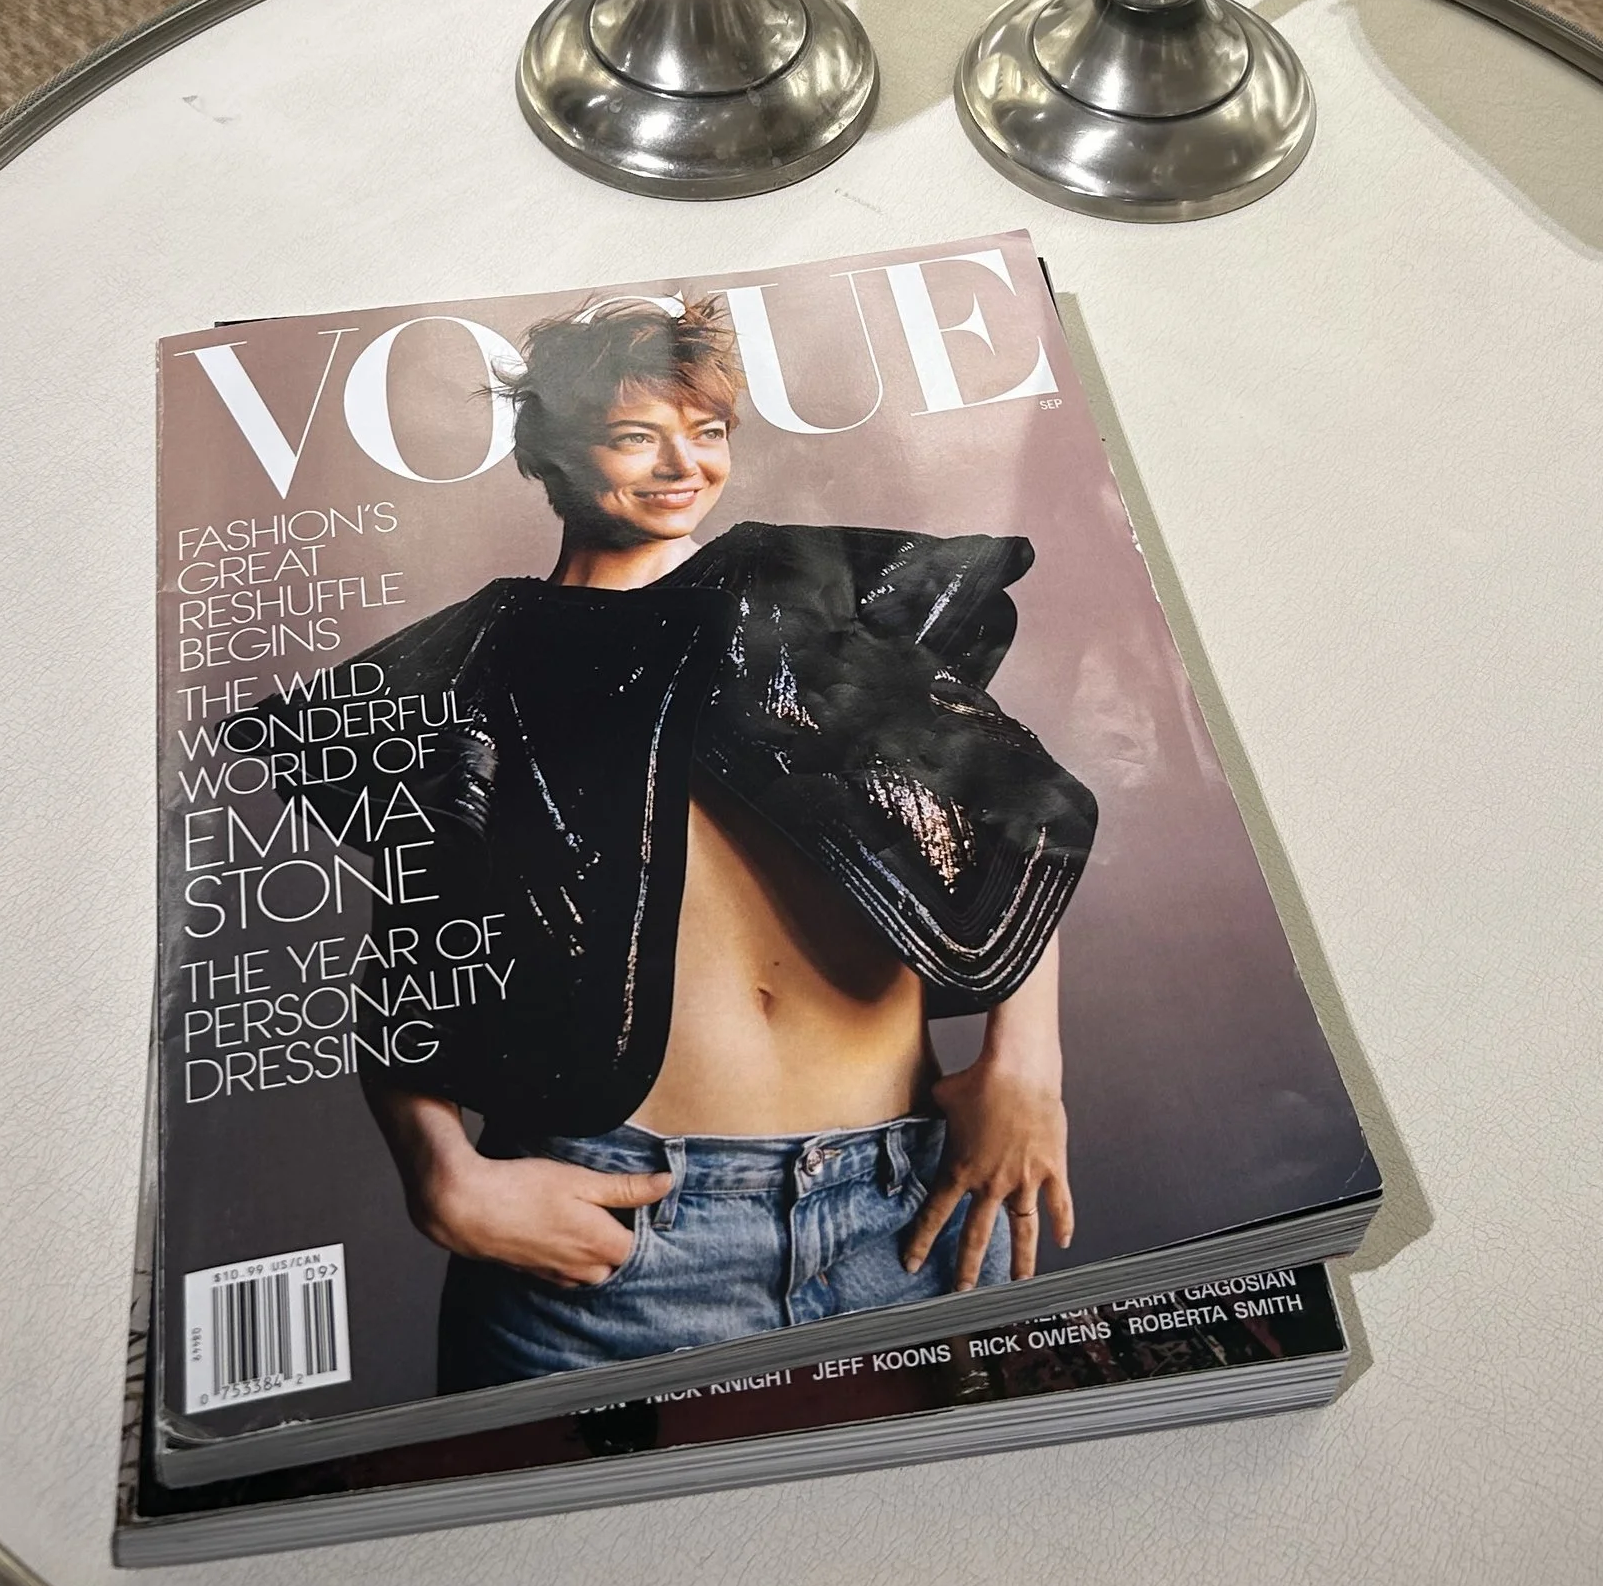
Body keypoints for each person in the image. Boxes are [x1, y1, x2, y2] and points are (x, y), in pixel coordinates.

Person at [357, 296, 1098, 1389]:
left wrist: (1028, 1065)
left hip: (905, 1208)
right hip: (614, 1243)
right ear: (547, 449)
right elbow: (412, 948)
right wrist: (441, 1173)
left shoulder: (812, 595)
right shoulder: (475, 664)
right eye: (634, 434)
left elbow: (1000, 812)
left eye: (705, 432)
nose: (681, 465)